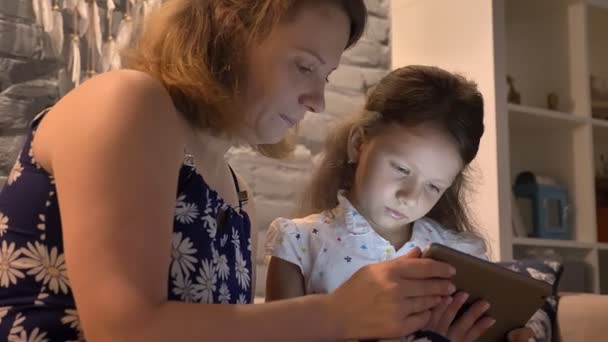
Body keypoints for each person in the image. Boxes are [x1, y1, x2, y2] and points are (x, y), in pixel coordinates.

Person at [0, 1, 460, 341]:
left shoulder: (236, 196)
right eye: (305, 65)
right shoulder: (127, 101)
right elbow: (123, 329)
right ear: (230, 21)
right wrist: (339, 314)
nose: (317, 101)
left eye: (326, 76)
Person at [265, 65, 546, 341]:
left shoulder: (462, 254)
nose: (409, 197)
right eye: (401, 169)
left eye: (433, 186)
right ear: (358, 144)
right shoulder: (298, 243)